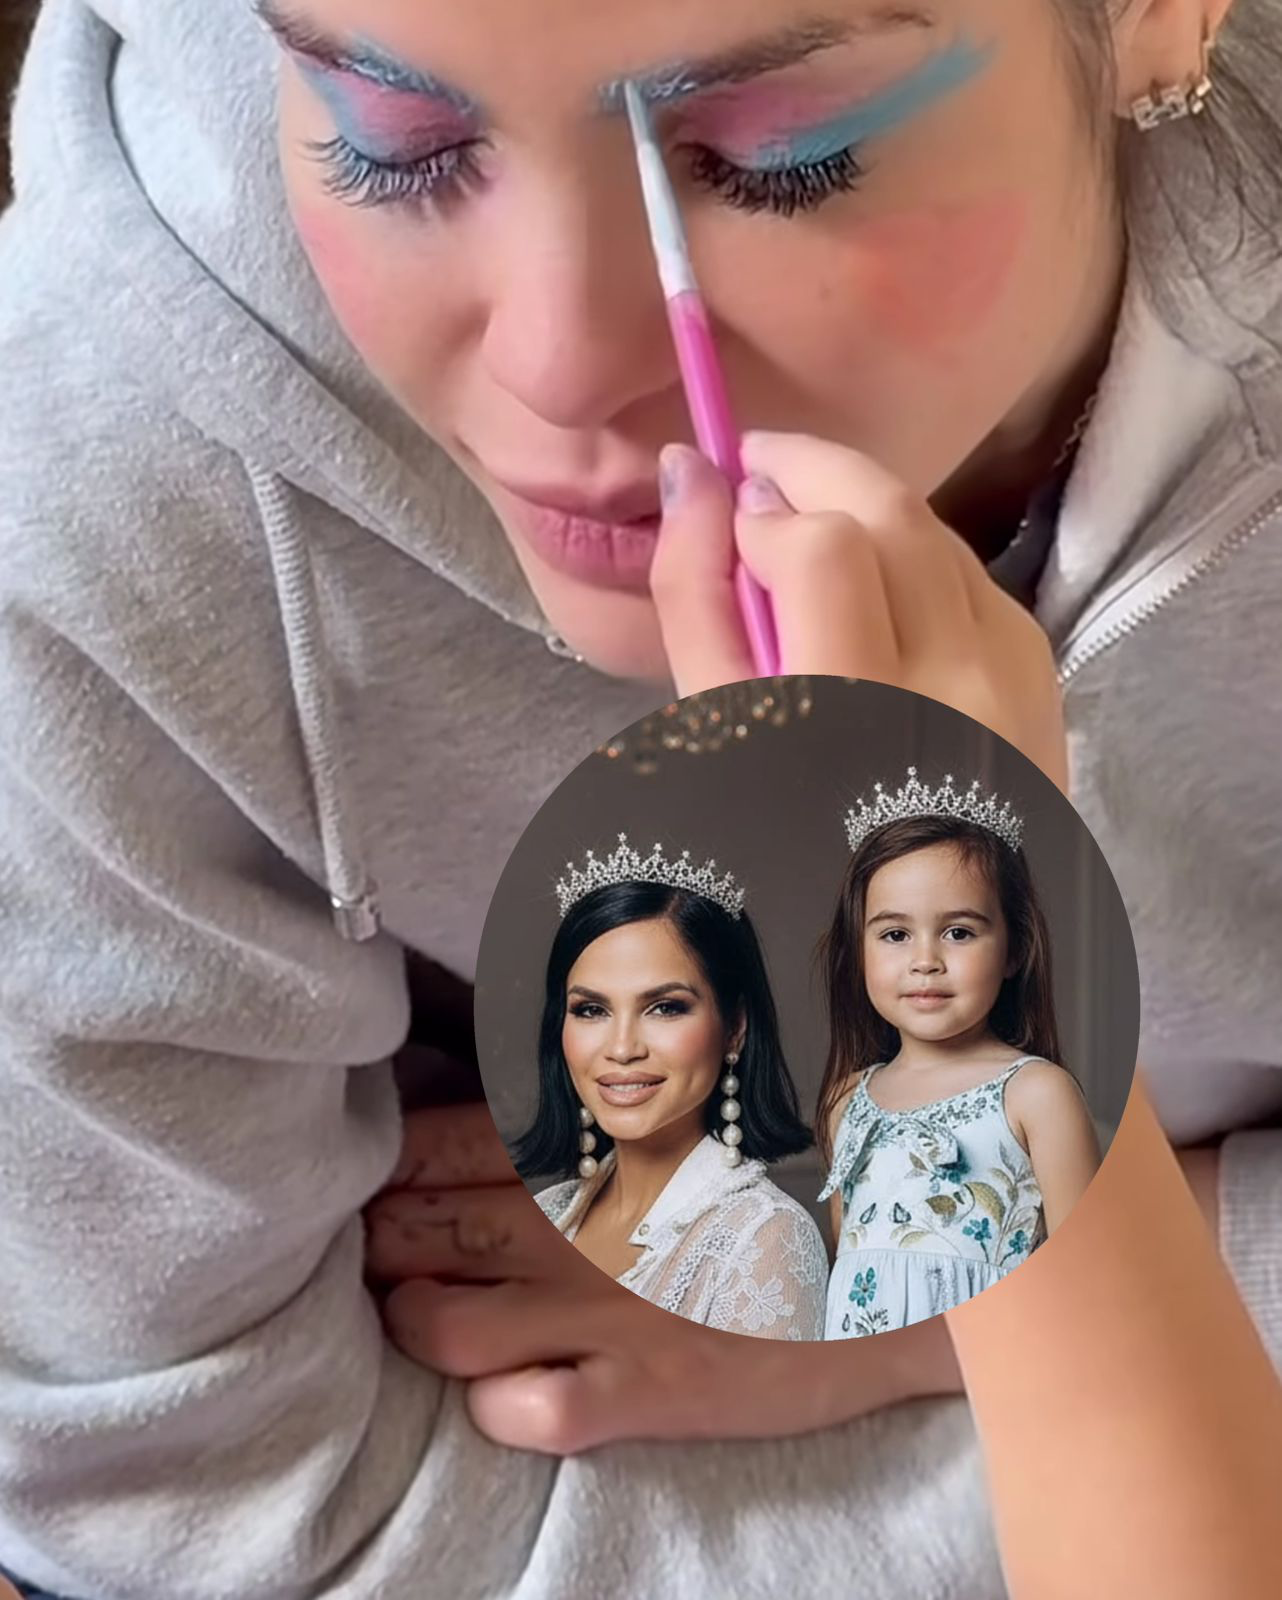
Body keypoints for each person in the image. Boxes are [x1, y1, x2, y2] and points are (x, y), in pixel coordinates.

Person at [2, 1, 1281, 1597]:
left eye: (779, 163)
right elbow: (206, 1513)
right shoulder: (95, 498)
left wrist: (928, 1291)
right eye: (395, 145)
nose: (558, 368)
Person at [814, 773, 1103, 1338]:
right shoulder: (846, 1100)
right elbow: (849, 1268)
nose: (926, 960)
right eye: (895, 935)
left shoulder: (1035, 1093)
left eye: (960, 933)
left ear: (1014, 949)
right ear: (858, 951)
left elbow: (1087, 1277)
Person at [511, 842, 827, 1338]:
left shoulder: (764, 1237)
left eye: (665, 1008)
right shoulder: (548, 1212)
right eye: (591, 1010)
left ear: (735, 1027)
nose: (622, 1048)